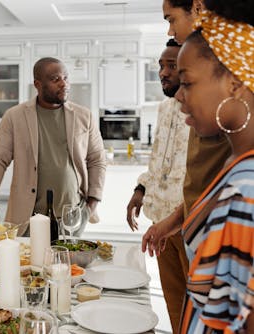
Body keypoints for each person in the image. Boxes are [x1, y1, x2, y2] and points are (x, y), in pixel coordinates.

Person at [144, 4, 254, 333]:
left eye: (188, 83)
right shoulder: (235, 173)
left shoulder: (244, 194)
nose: (179, 96)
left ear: (234, 83)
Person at [0, 57, 106, 236]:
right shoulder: (14, 117)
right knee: (27, 263)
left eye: (66, 77)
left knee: (68, 264)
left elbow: (97, 160)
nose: (64, 84)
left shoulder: (84, 116)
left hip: (72, 216)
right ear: (38, 84)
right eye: (56, 79)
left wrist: (91, 205)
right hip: (27, 217)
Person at [126, 39, 190, 333]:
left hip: (188, 224)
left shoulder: (202, 110)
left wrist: (175, 220)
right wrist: (140, 191)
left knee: (199, 306)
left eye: (171, 66)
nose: (163, 72)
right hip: (160, 225)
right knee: (174, 302)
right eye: (160, 66)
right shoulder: (164, 109)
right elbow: (157, 163)